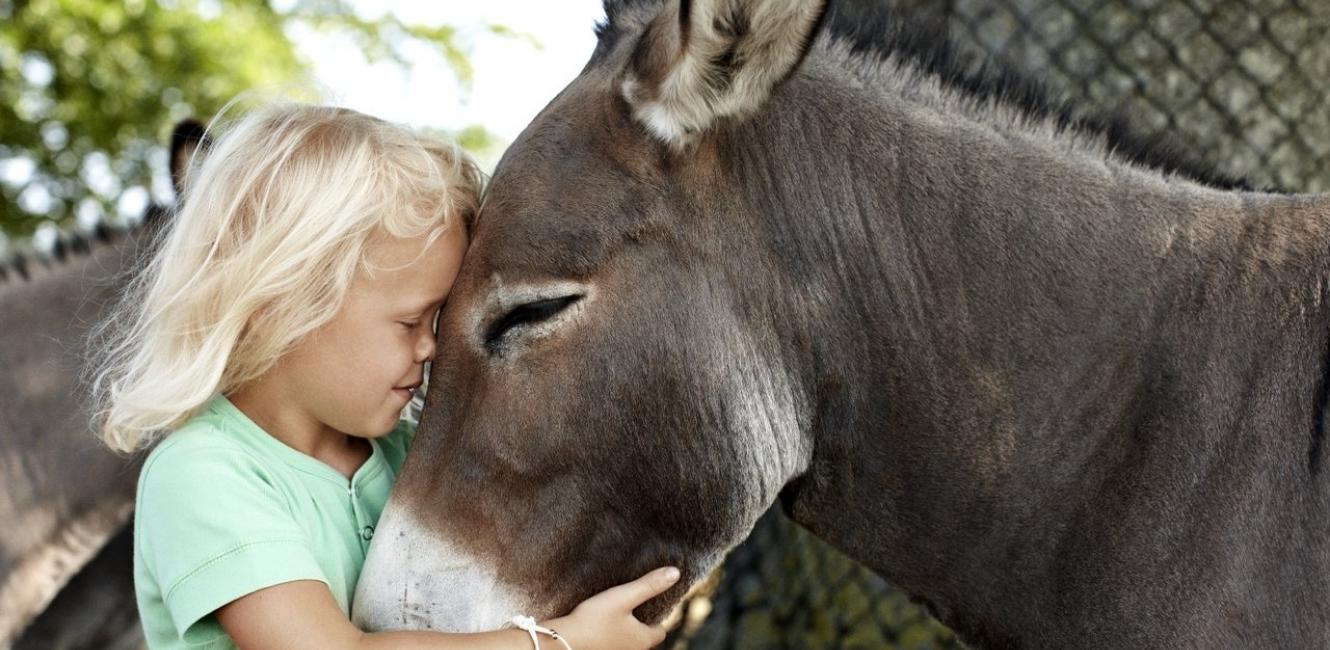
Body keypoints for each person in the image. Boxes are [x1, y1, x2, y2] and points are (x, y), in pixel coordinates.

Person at [88, 102, 679, 650]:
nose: (432, 347)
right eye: (409, 321)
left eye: (438, 319)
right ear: (281, 306)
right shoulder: (204, 476)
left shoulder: (401, 452)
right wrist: (559, 643)